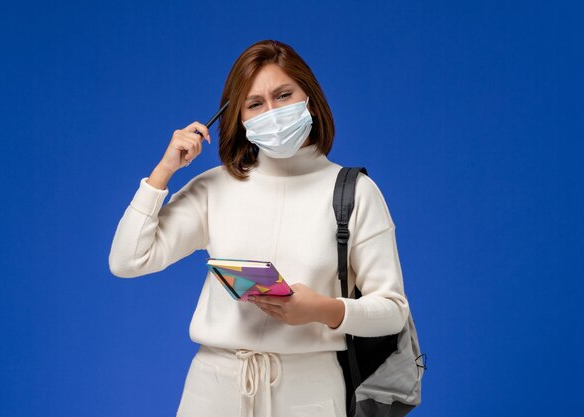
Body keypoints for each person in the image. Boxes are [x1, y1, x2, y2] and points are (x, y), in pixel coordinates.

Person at [108, 39, 410, 417]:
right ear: (239, 117)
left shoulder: (355, 193)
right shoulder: (215, 186)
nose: (272, 111)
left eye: (283, 95)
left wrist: (323, 309)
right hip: (213, 390)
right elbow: (128, 260)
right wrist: (163, 171)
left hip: (310, 391)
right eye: (255, 103)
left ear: (309, 99)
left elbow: (393, 310)